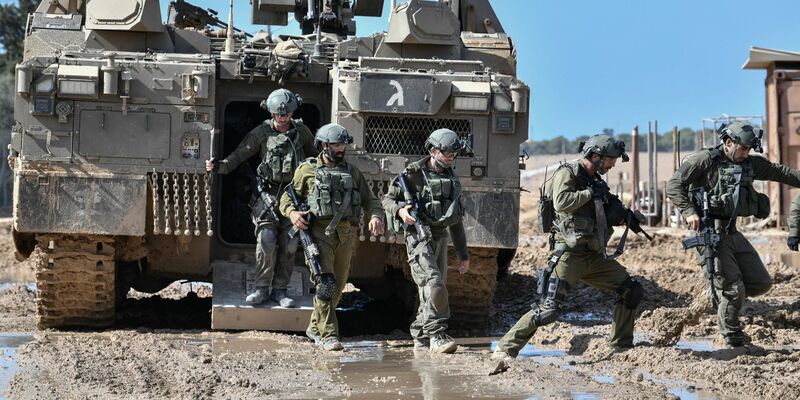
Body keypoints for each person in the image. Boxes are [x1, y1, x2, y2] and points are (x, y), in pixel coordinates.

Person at [492, 134, 644, 364]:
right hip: (568, 257)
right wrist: (590, 193)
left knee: (631, 290)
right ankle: (505, 348)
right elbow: (561, 202)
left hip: (593, 256)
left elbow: (606, 210)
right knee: (549, 309)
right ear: (595, 156)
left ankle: (621, 345)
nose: (612, 165)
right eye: (610, 160)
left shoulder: (597, 181)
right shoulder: (568, 173)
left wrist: (627, 217)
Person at [666, 121, 800, 347]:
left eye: (748, 150)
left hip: (732, 231)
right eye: (743, 149)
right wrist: (689, 212)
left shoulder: (748, 163)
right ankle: (731, 337)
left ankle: (716, 295)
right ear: (728, 143)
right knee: (734, 288)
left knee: (761, 283)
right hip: (709, 232)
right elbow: (673, 185)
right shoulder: (705, 160)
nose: (745, 154)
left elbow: (780, 172)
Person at [206, 88, 316, 307]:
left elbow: (314, 158)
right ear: (272, 113)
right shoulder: (262, 133)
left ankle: (281, 290)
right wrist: (220, 166)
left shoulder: (302, 132)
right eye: (278, 114)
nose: (283, 118)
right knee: (266, 240)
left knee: (290, 243)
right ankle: (261, 288)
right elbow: (241, 153)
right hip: (268, 196)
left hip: (294, 196)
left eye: (286, 114)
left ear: (292, 112)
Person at [279, 123, 384, 351]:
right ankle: (329, 336)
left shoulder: (351, 172)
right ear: (323, 146)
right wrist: (292, 213)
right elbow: (287, 198)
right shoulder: (307, 170)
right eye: (336, 145)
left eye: (343, 145)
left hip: (345, 234)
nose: (341, 149)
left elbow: (370, 199)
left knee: (338, 286)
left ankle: (315, 328)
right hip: (318, 234)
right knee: (325, 283)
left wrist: (376, 216)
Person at [382, 128, 470, 354]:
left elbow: (456, 220)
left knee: (433, 287)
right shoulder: (412, 174)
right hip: (417, 236)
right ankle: (436, 334)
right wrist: (401, 211)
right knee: (433, 284)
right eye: (447, 153)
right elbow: (387, 199)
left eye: (454, 154)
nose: (451, 158)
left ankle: (420, 336)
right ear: (432, 150)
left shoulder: (452, 179)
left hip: (440, 237)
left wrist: (463, 255)